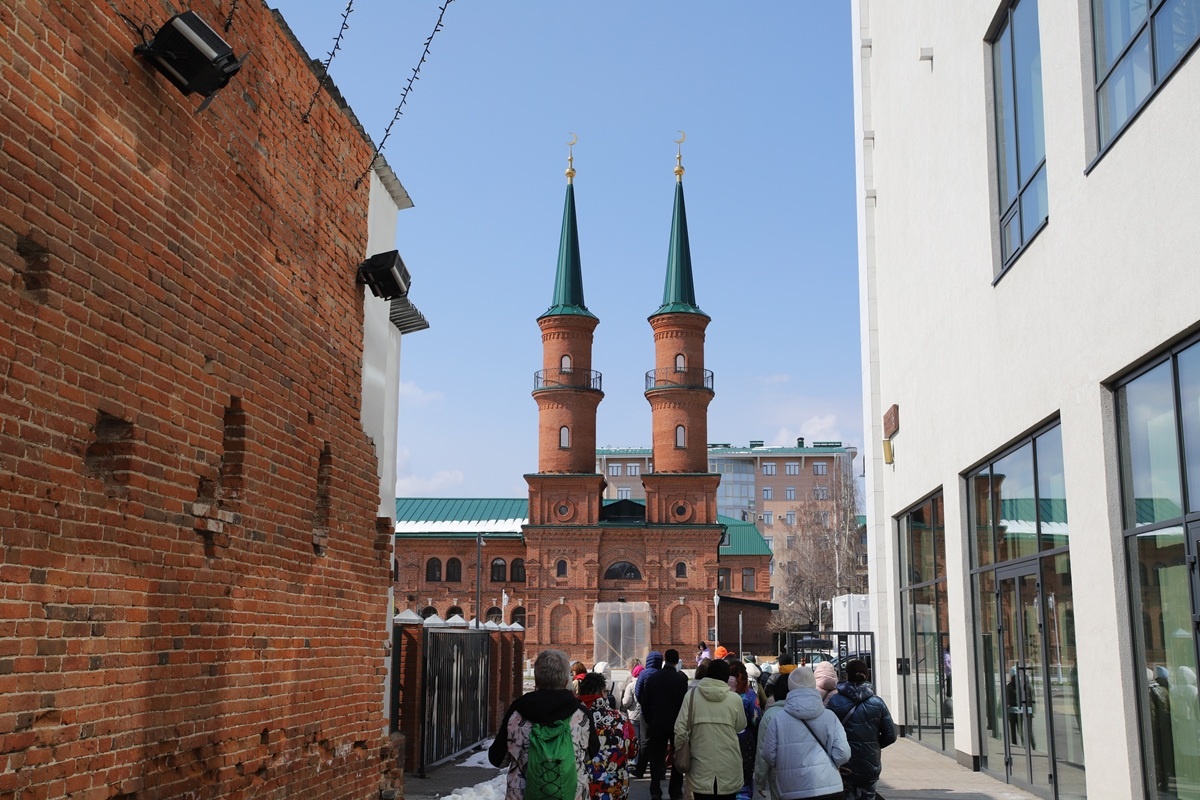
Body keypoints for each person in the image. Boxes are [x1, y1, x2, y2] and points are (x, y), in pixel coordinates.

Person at [489, 649, 600, 800]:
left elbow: (497, 758)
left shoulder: (517, 712)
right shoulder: (581, 714)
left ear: (536, 680)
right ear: (566, 681)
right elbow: (591, 752)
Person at [758, 668, 849, 800]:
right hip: (829, 787)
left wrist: (786, 763)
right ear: (813, 684)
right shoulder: (830, 717)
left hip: (791, 789)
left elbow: (768, 754)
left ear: (790, 687)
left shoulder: (778, 719)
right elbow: (843, 752)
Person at [673, 658, 746, 800]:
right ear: (726, 677)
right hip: (729, 766)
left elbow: (680, 729)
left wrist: (681, 750)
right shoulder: (734, 699)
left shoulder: (692, 696)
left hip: (700, 766)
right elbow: (741, 726)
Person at [825, 659, 896, 800]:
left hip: (844, 762)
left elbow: (826, 732)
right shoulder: (877, 703)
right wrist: (873, 744)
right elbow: (891, 735)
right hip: (869, 762)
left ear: (846, 675)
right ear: (867, 675)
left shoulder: (835, 702)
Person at [579, 673, 640, 800]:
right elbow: (633, 750)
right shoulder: (621, 719)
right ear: (603, 692)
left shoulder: (574, 718)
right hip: (616, 787)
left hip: (584, 787)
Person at [640, 648, 689, 800]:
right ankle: (675, 789)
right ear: (676, 661)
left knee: (656, 757)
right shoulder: (681, 679)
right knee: (677, 757)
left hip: (657, 723)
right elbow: (684, 703)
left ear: (665, 659)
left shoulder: (654, 678)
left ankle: (655, 789)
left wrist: (650, 719)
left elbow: (644, 701)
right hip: (676, 723)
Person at [753, 675, 791, 800]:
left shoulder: (770, 715)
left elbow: (763, 749)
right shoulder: (814, 712)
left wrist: (760, 780)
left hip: (778, 770)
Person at [728, 660, 761, 800]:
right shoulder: (749, 695)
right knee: (745, 777)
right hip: (745, 741)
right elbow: (757, 719)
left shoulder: (724, 694)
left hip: (726, 739)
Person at [632, 651, 663, 777]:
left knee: (644, 742)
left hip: (646, 712)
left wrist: (644, 704)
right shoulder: (662, 674)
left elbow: (637, 692)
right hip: (660, 712)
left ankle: (641, 770)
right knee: (660, 742)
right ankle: (660, 770)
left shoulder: (644, 674)